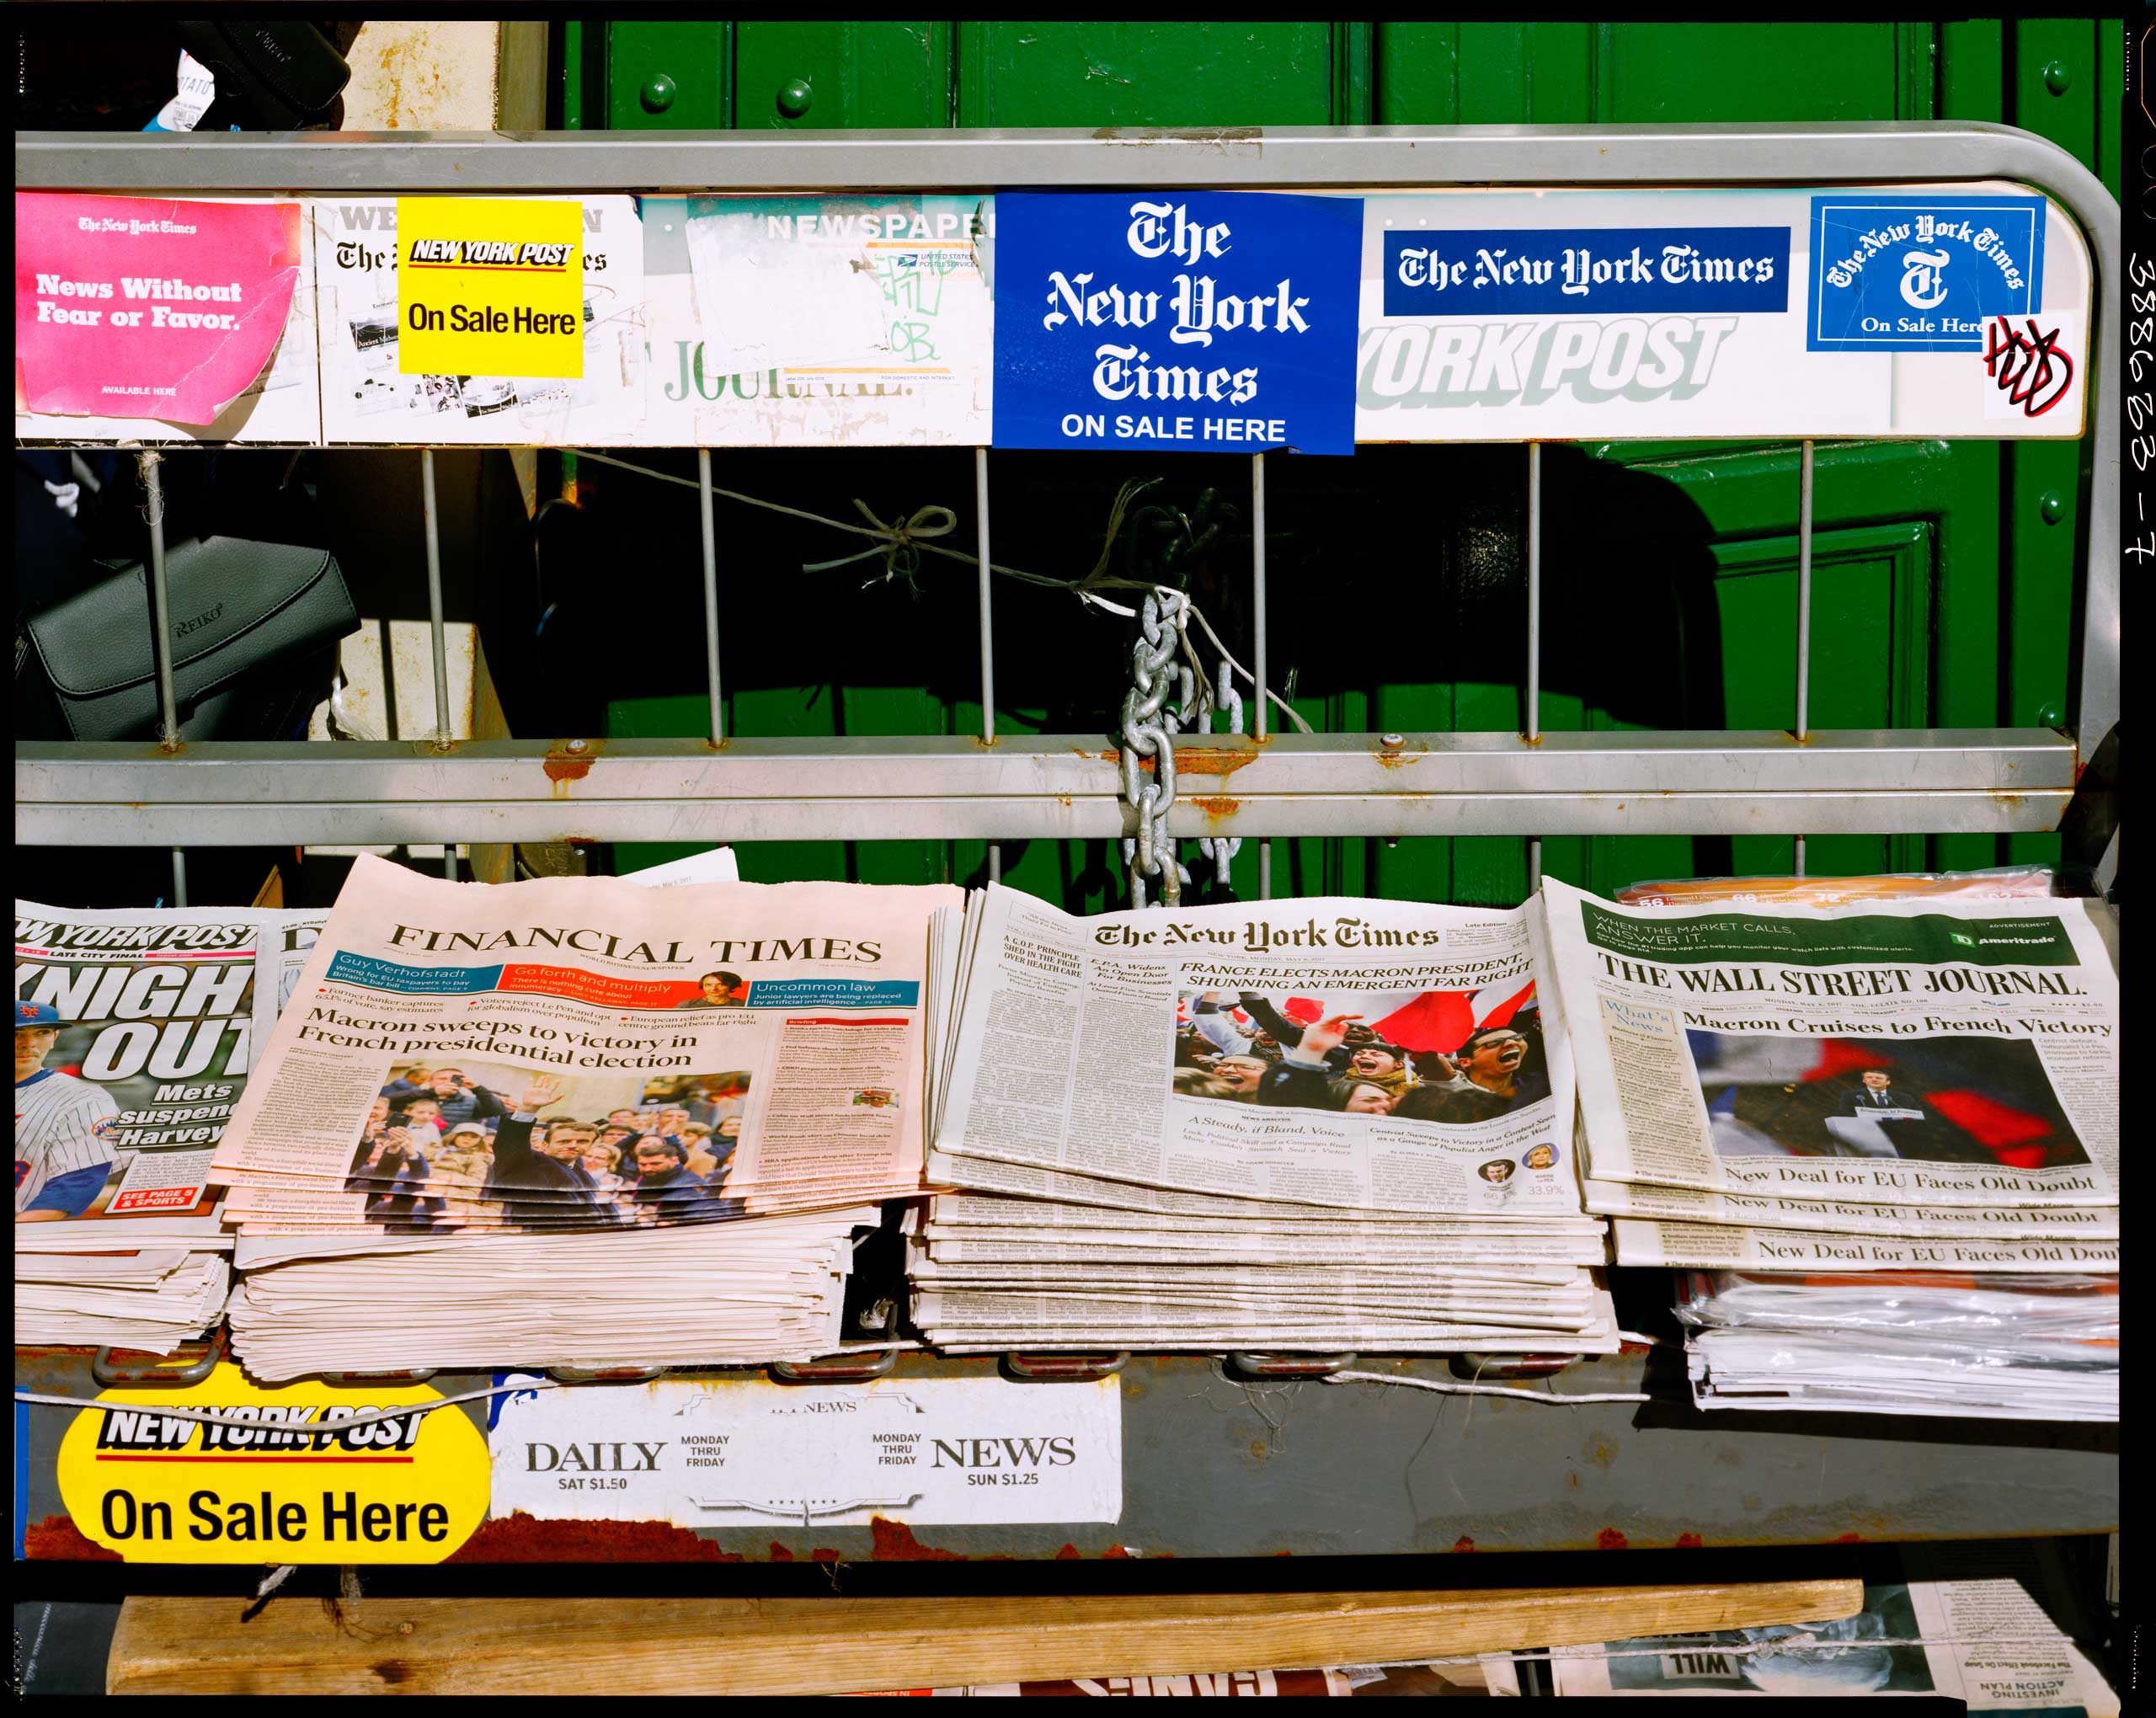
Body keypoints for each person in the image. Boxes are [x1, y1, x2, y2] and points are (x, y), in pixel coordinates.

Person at [14, 1000, 120, 1222]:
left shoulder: (84, 1098)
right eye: (17, 1033)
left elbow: (78, 1181)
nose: (29, 1043)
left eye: (42, 1032)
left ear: (54, 1038)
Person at [483, 1074, 616, 1227]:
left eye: (582, 1141)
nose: (573, 1145)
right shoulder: (528, 1164)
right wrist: (528, 1109)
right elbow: (510, 1145)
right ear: (545, 1145)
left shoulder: (584, 1174)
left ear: (591, 1146)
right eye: (564, 1141)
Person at [1393, 1025, 1547, 1125]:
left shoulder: (1539, 1086)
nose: (1510, 1044)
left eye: (1517, 1038)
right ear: (1465, 1062)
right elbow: (1431, 1062)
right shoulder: (1459, 1092)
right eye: (1494, 1043)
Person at [627, 1135, 738, 1224]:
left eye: (655, 1164)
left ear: (674, 1160)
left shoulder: (690, 1184)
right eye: (643, 1164)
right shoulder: (650, 1177)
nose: (648, 1168)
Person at [675, 970, 750, 1010]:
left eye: (720, 984)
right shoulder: (686, 1005)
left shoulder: (744, 1005)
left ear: (731, 985)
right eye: (708, 985)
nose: (714, 988)